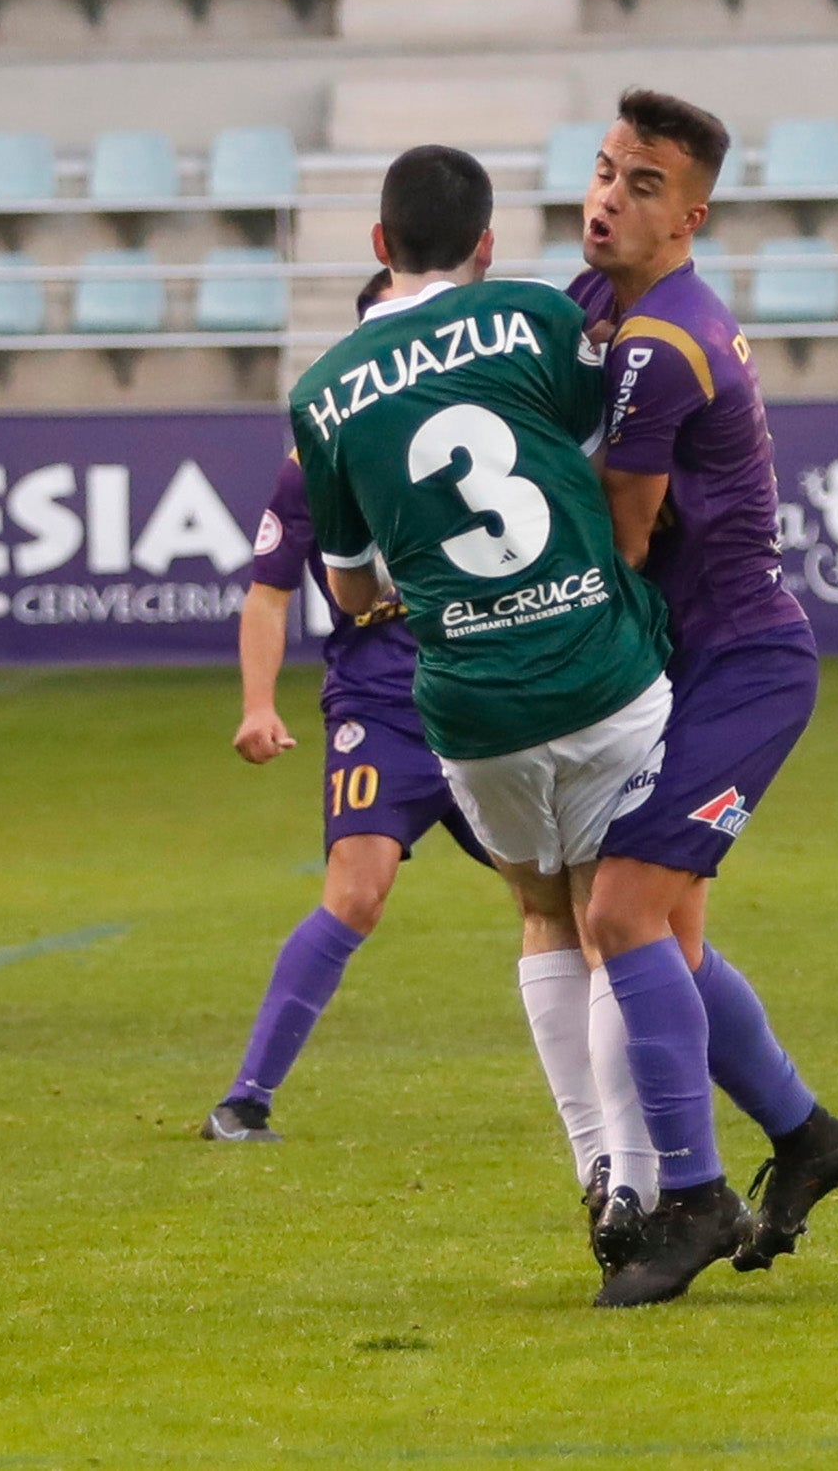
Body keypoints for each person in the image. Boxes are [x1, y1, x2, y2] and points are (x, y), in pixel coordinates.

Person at [289, 145, 677, 1267]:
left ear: (377, 247)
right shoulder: (535, 319)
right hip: (598, 669)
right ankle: (643, 1187)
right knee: (628, 924)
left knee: (547, 916)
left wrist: (404, 581)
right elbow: (611, 476)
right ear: (488, 245)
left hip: (468, 701)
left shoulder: (322, 396)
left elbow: (352, 588)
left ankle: (595, 1163)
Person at [569, 88, 838, 1309]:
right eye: (602, 169)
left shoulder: (662, 342)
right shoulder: (604, 303)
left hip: (743, 668)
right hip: (699, 663)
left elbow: (625, 538)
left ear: (689, 216)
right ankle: (806, 1135)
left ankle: (692, 1196)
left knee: (623, 913)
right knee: (667, 937)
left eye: (642, 186)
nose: (607, 199)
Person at [202, 270, 491, 1145]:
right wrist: (258, 704)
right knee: (357, 892)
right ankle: (246, 1100)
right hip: (383, 701)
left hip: (488, 695)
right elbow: (267, 592)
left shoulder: (479, 423)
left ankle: (654, 1094)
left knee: (581, 900)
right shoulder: (318, 456)